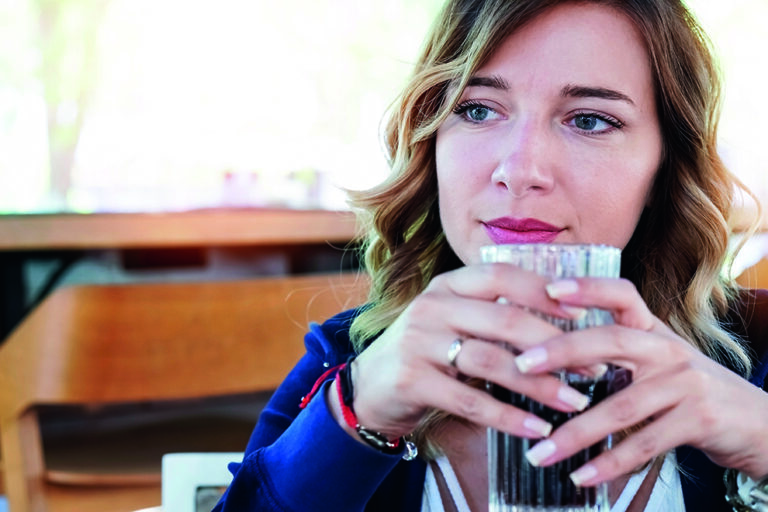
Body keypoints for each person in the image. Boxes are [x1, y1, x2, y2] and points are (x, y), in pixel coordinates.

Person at [214, 0, 768, 510]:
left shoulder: (755, 363)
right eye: (477, 109)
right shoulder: (349, 361)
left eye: (589, 120)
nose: (520, 170)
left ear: (665, 165)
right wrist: (354, 421)